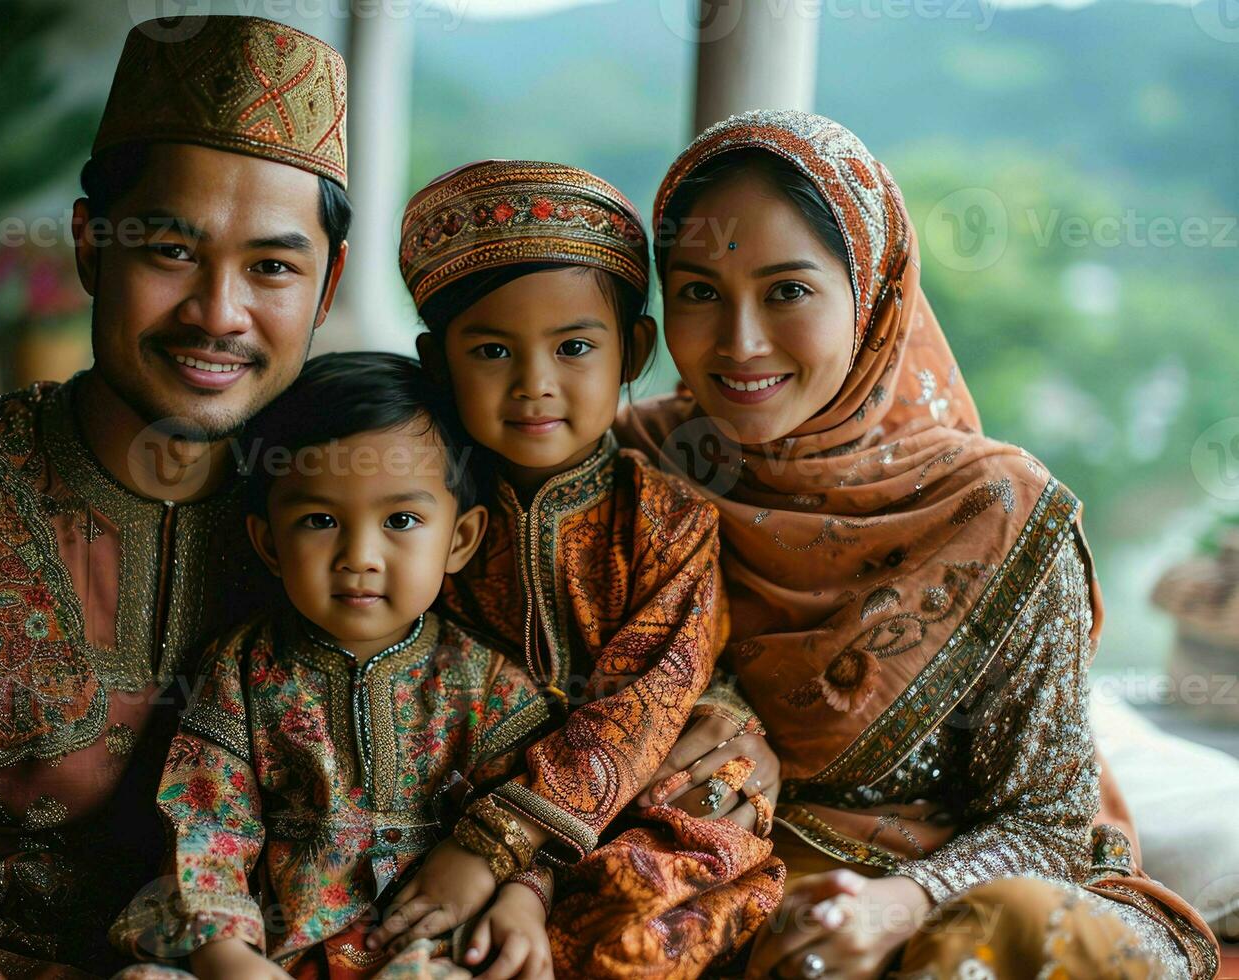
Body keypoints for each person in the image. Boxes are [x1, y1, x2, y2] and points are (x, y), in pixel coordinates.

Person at [0, 16, 350, 978]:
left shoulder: (351, 515)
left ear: (326, 291)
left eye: (273, 267)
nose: (217, 311)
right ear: (91, 248)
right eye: (170, 251)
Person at [617, 109, 1220, 978]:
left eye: (788, 291)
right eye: (699, 292)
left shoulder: (998, 511)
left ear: (872, 296)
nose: (740, 342)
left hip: (961, 899)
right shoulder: (637, 471)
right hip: (733, 894)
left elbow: (1048, 823)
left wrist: (900, 904)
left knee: (999, 931)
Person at [374, 160, 784, 978]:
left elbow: (646, 706)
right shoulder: (422, 519)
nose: (535, 385)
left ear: (633, 350)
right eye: (491, 349)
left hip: (637, 792)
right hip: (458, 797)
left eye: (573, 347)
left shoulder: (668, 521)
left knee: (653, 897)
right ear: (436, 362)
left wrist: (505, 856)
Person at [108, 353, 554, 980]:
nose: (359, 556)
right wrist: (229, 956)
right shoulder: (242, 667)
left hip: (424, 952)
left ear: (460, 539)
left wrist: (521, 902)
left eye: (401, 520)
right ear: (268, 542)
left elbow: (527, 819)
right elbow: (208, 825)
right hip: (274, 947)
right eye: (319, 521)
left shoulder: (489, 683)